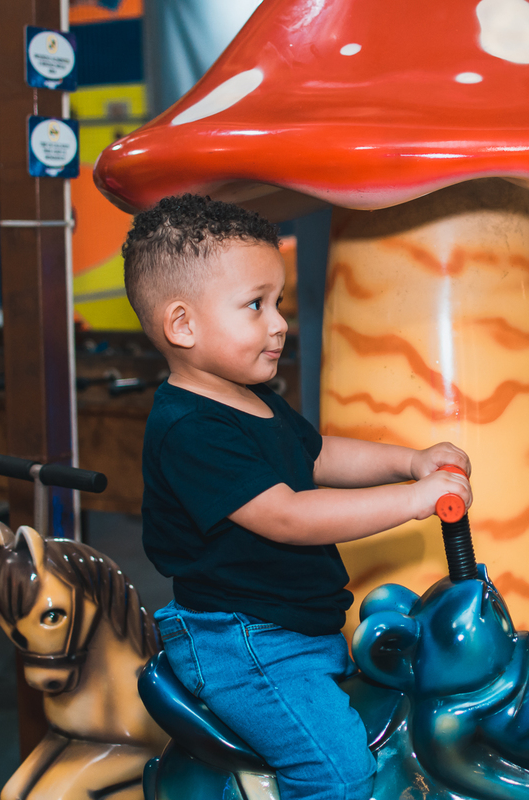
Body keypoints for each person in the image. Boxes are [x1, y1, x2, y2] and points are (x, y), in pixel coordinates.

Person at [124, 194, 473, 800]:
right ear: (182, 325)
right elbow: (287, 514)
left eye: (277, 301)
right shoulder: (191, 429)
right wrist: (414, 499)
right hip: (244, 643)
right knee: (336, 774)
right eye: (254, 305)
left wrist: (409, 460)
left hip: (296, 630)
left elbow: (318, 456)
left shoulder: (249, 399)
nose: (278, 322)